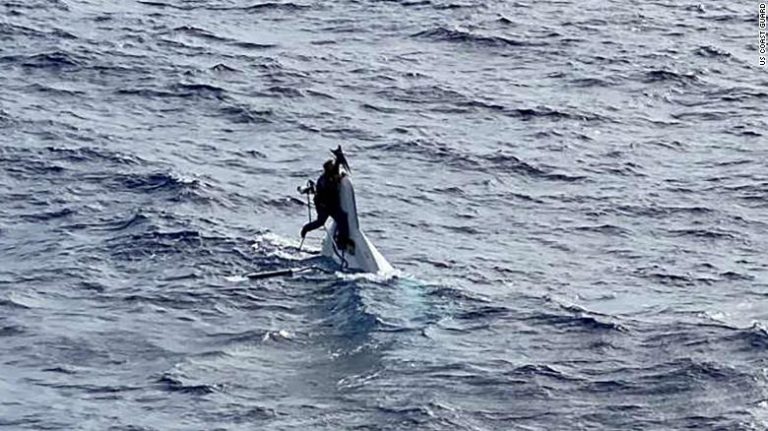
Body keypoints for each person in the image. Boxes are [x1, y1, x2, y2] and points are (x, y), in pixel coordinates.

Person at [300, 150, 350, 249]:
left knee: (343, 219)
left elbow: (337, 165)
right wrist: (338, 179)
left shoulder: (332, 173)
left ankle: (341, 241)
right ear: (328, 169)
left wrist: (339, 156)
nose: (333, 166)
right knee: (320, 222)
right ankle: (306, 228)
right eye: (331, 165)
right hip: (324, 205)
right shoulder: (324, 180)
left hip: (333, 204)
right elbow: (329, 189)